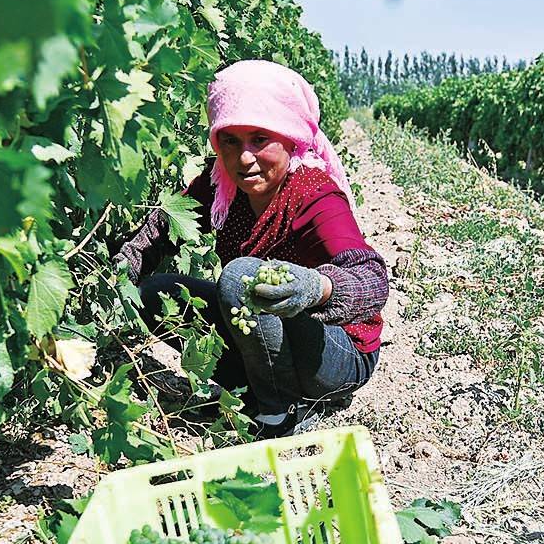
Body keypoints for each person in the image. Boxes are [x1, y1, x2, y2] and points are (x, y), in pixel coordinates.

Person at [116, 59, 388, 436]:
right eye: (230, 140)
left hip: (336, 355)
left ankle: (279, 414)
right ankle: (260, 393)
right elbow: (162, 228)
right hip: (268, 344)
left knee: (241, 276)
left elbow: (372, 280)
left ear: (288, 137)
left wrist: (315, 288)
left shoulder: (313, 194)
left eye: (260, 140)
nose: (244, 158)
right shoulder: (219, 184)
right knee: (155, 294)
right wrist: (115, 274)